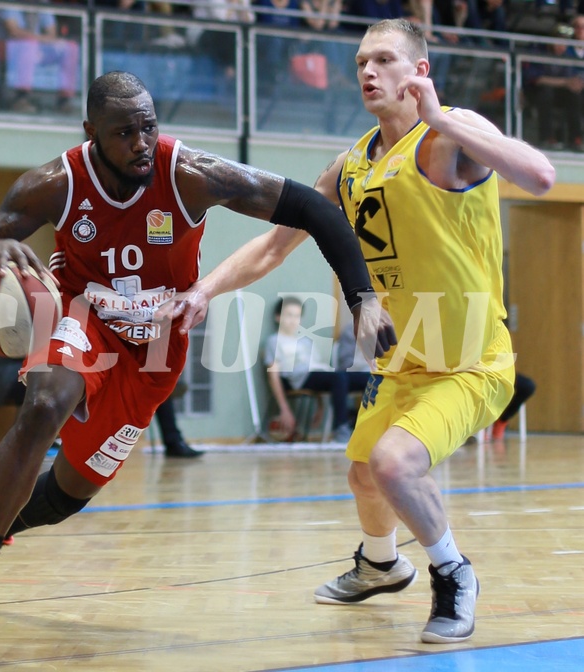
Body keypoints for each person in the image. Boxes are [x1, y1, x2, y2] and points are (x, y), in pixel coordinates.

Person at [0, 69, 396, 648]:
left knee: (68, 495)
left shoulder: (191, 174)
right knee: (45, 403)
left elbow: (316, 212)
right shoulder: (54, 183)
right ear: (91, 131)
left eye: (148, 126)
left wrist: (363, 300)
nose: (141, 142)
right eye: (124, 132)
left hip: (154, 352)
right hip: (82, 317)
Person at [167, 18, 555, 643]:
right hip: (401, 362)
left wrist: (447, 117)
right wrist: (203, 290)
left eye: (383, 60)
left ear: (419, 72)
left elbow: (540, 177)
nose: (368, 73)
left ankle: (454, 574)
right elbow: (272, 247)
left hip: (470, 361)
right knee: (363, 475)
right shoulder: (347, 168)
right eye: (359, 64)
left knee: (393, 463)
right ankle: (381, 564)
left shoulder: (451, 134)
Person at [0, 346, 201, 457]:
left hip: (25, 370)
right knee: (76, 377)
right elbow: (39, 349)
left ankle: (171, 439)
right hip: (6, 378)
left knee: (145, 375)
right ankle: (76, 444)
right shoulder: (8, 309)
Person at [263, 296, 367, 443]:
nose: (293, 320)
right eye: (289, 315)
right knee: (339, 377)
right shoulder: (274, 341)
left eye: (297, 316)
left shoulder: (306, 341)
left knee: (368, 378)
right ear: (278, 317)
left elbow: (319, 374)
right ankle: (341, 430)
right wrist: (284, 409)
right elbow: (273, 374)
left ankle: (368, 428)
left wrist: (320, 405)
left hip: (320, 374)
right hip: (297, 378)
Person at [0, 0, 80, 113]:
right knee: (28, 44)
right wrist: (39, 41)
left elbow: (52, 33)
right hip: (2, 46)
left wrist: (39, 43)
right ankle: (21, 98)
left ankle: (64, 101)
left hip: (33, 47)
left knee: (70, 47)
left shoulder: (42, 2)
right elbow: (14, 31)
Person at [489, 372, 536, 440]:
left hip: (500, 371)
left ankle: (502, 419)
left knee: (528, 386)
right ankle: (480, 426)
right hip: (480, 372)